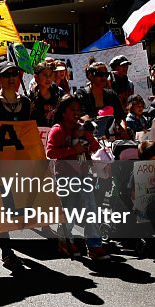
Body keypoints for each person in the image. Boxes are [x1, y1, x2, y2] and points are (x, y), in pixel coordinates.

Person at [45, 95, 109, 260]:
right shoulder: (57, 129)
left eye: (78, 110)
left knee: (91, 208)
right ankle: (65, 239)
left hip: (84, 174)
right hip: (65, 176)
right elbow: (50, 152)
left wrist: (88, 136)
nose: (76, 113)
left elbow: (95, 147)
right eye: (72, 109)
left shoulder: (83, 128)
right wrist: (73, 150)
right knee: (70, 210)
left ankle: (94, 244)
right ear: (63, 111)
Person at [0, 62, 30, 273]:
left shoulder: (26, 102)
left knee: (16, 209)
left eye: (15, 74)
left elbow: (26, 132)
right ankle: (6, 250)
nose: (12, 78)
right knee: (1, 208)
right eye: (7, 74)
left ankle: (8, 246)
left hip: (18, 163)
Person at [75, 61, 124, 125]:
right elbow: (81, 115)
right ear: (90, 76)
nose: (104, 78)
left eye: (106, 75)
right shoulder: (81, 94)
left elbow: (121, 117)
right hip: (90, 131)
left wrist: (123, 130)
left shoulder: (112, 95)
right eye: (100, 74)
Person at [29, 62, 62, 128]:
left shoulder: (58, 93)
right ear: (36, 77)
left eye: (50, 75)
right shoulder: (30, 97)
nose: (48, 78)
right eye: (45, 75)